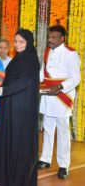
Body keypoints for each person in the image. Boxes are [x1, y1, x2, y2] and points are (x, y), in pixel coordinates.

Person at [0, 29, 40, 186]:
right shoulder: (18, 59)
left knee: (18, 140)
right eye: (15, 41)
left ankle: (16, 179)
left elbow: (24, 82)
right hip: (10, 102)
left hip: (22, 107)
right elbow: (10, 80)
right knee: (6, 136)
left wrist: (2, 90)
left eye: (21, 42)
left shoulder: (31, 60)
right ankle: (1, 176)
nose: (17, 44)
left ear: (28, 42)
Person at [38, 25, 80, 179]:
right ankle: (45, 159)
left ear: (62, 38)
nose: (50, 40)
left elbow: (76, 78)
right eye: (49, 37)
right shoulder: (47, 51)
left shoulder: (71, 53)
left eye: (54, 37)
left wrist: (60, 87)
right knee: (47, 128)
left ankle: (63, 165)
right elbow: (43, 73)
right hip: (48, 95)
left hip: (62, 97)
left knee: (63, 131)